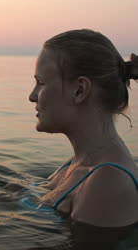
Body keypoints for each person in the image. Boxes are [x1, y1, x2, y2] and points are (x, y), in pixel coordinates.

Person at [28, 29, 138, 227]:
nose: (32, 96)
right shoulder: (80, 163)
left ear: (79, 90)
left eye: (41, 83)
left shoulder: (108, 182)